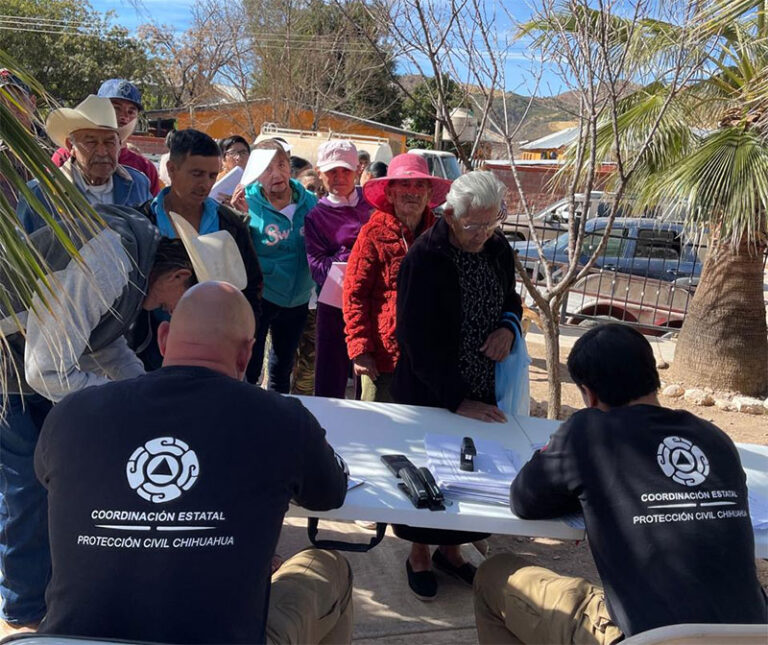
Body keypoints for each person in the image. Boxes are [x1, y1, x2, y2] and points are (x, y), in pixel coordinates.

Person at [34, 282, 353, 644]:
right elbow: (330, 493)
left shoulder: (71, 415)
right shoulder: (282, 420)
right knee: (330, 567)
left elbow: (49, 479)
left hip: (68, 640)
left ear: (164, 338)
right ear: (246, 355)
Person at [0, 205, 224, 629]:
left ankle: (43, 586)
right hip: (8, 370)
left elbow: (102, 343)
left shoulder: (134, 259)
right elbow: (45, 370)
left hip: (30, 362)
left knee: (54, 486)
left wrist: (147, 394)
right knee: (26, 490)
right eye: (185, 306)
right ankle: (24, 608)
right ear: (180, 277)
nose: (176, 316)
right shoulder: (108, 261)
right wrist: (125, 404)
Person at [474, 324, 768, 644]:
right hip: (749, 635)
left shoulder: (588, 432)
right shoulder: (714, 438)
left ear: (589, 394)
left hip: (644, 639)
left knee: (493, 576)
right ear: (652, 376)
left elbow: (524, 500)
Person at [387, 171, 519, 601]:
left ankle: (452, 550)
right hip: (432, 388)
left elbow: (510, 300)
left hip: (482, 382)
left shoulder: (498, 249)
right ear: (448, 214)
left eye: (490, 223)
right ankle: (420, 553)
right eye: (473, 225)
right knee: (432, 473)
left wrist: (507, 328)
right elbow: (413, 337)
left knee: (471, 473)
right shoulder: (424, 258)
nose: (483, 234)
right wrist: (454, 399)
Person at [136, 129, 263, 380]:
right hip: (150, 357)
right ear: (172, 169)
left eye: (212, 175)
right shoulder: (141, 223)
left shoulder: (231, 224)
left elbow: (252, 287)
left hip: (217, 356)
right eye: (196, 174)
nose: (205, 183)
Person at [343, 153, 450, 404]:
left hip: (428, 356)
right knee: (378, 427)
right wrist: (360, 349)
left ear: (428, 194)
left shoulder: (441, 235)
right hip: (383, 357)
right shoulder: (372, 233)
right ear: (390, 193)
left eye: (419, 185)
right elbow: (354, 293)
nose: (412, 191)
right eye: (404, 184)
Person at [16, 95, 151, 233]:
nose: (102, 151)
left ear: (119, 145)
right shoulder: (40, 194)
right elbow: (23, 247)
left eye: (109, 142)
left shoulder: (138, 184)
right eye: (91, 142)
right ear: (71, 146)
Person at [245, 138, 317, 392]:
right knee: (251, 364)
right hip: (262, 296)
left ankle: (276, 416)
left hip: (298, 298)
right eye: (267, 168)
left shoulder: (310, 202)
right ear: (256, 173)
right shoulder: (247, 203)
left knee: (282, 364)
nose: (277, 174)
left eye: (282, 164)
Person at [305, 140, 373, 398]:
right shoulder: (316, 217)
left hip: (372, 302)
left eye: (345, 170)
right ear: (320, 173)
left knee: (367, 374)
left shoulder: (372, 203)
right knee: (330, 375)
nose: (339, 177)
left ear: (357, 170)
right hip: (335, 302)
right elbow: (317, 266)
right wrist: (355, 259)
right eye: (332, 171)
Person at [51, 79, 160, 196]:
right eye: (116, 108)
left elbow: (154, 210)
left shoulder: (144, 170)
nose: (124, 117)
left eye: (131, 111)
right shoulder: (64, 157)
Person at [0, 69, 36, 210]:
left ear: (32, 103)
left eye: (16, 101)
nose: (11, 110)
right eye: (2, 105)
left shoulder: (52, 150)